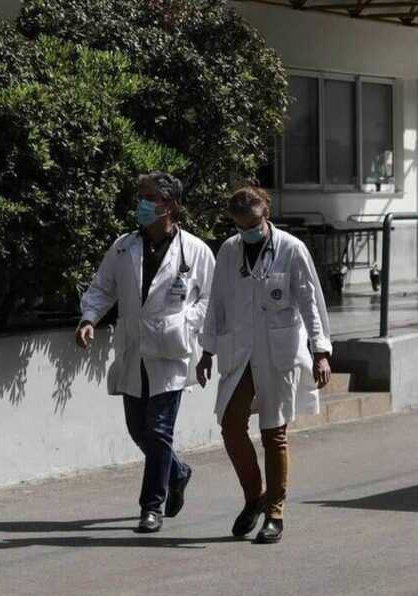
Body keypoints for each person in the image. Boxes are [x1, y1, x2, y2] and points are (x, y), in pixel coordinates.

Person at [75, 171, 215, 534]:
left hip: (170, 351)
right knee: (138, 429)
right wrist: (89, 319)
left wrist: (186, 322)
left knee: (158, 430)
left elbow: (211, 299)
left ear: (169, 204)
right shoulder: (124, 246)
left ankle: (151, 507)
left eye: (149, 197)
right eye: (141, 196)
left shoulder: (195, 250)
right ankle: (178, 472)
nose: (142, 204)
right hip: (133, 349)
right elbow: (102, 287)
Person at [196, 186, 332, 544]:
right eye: (240, 225)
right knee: (230, 425)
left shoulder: (291, 249)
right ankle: (254, 497)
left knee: (274, 432)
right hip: (239, 351)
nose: (247, 231)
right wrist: (206, 351)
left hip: (277, 351)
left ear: (266, 214)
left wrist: (320, 352)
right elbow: (216, 302)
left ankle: (275, 512)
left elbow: (311, 302)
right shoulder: (229, 250)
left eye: (253, 223)